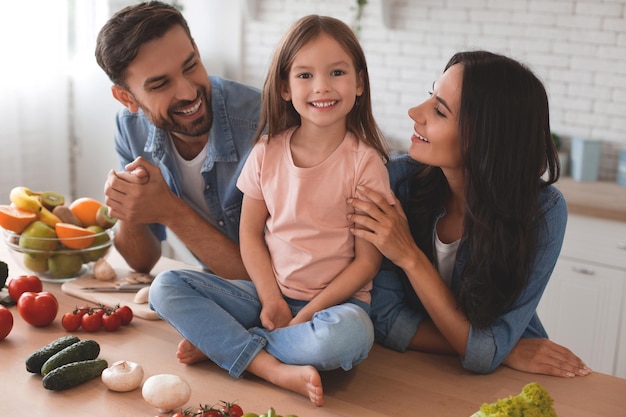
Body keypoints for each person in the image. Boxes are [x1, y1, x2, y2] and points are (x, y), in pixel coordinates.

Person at [149, 15, 394, 406]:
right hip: (265, 298)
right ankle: (270, 366)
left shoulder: (366, 165)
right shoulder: (266, 152)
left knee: (351, 339)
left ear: (359, 82)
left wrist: (307, 313)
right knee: (165, 287)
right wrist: (272, 300)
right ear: (284, 87)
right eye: (305, 76)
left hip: (332, 310)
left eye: (337, 72)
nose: (322, 87)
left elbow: (367, 263)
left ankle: (229, 344)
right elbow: (250, 234)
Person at [348, 51, 592, 378]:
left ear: (485, 139)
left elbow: (485, 352)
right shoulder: (396, 183)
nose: (414, 112)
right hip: (418, 371)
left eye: (439, 111)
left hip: (511, 379)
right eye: (431, 95)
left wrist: (409, 256)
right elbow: (387, 320)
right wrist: (501, 349)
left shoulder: (543, 212)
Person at [95, 1, 261, 277]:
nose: (187, 92)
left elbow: (278, 280)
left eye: (191, 65)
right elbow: (142, 262)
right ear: (127, 98)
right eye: (160, 84)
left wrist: (170, 210)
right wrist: (128, 208)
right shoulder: (131, 128)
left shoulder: (264, 126)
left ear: (196, 49)